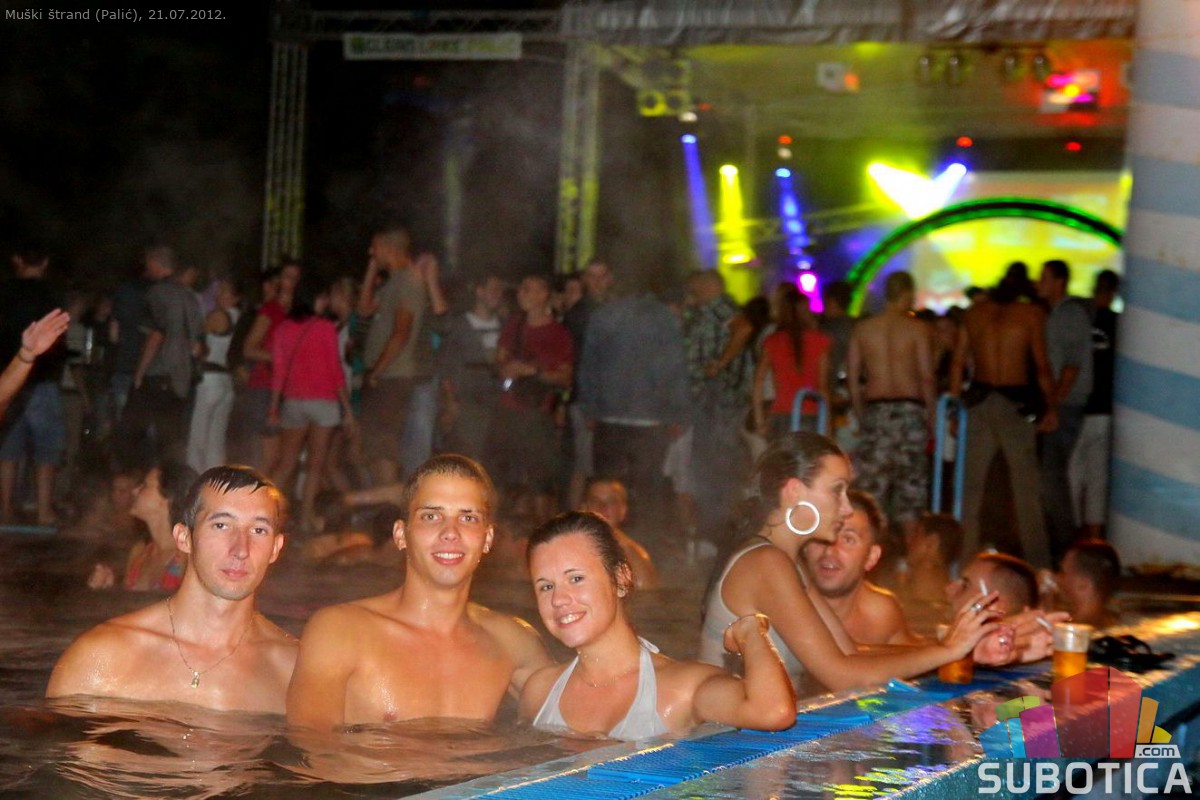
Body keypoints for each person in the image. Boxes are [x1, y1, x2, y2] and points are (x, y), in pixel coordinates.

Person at [698, 432, 1002, 695]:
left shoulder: (787, 562)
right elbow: (842, 676)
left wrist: (963, 648)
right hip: (725, 737)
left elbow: (850, 652)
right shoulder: (766, 563)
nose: (845, 508)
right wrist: (947, 650)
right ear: (794, 492)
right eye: (837, 490)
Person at [286, 454, 552, 729]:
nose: (450, 532)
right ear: (401, 535)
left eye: (468, 517)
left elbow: (573, 712)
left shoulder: (513, 643)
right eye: (431, 516)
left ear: (487, 538)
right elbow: (312, 748)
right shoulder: (340, 632)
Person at [520, 511, 795, 741]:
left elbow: (773, 712)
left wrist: (751, 632)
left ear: (621, 578)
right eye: (546, 586)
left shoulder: (680, 689)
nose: (558, 599)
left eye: (576, 579)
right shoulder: (539, 692)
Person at [48, 465, 296, 714]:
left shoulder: (295, 670)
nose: (241, 549)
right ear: (184, 538)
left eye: (258, 530)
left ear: (275, 548)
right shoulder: (101, 659)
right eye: (221, 525)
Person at [950, 275, 1056, 568]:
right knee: (1026, 492)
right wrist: (1051, 407)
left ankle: (963, 564)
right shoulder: (1031, 314)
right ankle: (1039, 567)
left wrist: (954, 411)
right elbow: (1042, 366)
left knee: (970, 491)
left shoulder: (974, 314)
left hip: (980, 404)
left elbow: (958, 364)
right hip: (1014, 406)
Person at [576, 282, 690, 532]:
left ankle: (605, 543)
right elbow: (676, 369)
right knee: (647, 491)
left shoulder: (604, 315)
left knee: (606, 488)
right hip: (651, 420)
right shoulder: (663, 316)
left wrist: (589, 409)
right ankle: (645, 544)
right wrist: (678, 414)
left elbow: (589, 366)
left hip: (609, 418)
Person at [847, 271, 935, 540]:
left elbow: (853, 377)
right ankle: (911, 556)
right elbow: (926, 376)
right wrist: (931, 415)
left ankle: (867, 554)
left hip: (877, 409)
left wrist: (861, 412)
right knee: (911, 492)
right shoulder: (917, 329)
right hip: (910, 411)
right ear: (906, 294)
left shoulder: (863, 329)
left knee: (871, 493)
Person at [484, 274, 573, 522]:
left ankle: (544, 535)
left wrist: (532, 371)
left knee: (540, 482)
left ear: (543, 294)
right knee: (495, 478)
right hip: (506, 411)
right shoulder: (514, 325)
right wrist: (506, 368)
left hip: (536, 415)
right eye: (521, 288)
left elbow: (565, 377)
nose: (521, 293)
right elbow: (500, 360)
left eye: (528, 289)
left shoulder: (558, 333)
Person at [268, 282, 355, 534]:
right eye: (323, 297)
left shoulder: (283, 328)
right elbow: (335, 371)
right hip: (324, 403)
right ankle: (306, 519)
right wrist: (347, 409)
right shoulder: (325, 327)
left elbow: (279, 372)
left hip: (293, 402)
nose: (326, 302)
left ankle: (260, 513)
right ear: (315, 299)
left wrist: (273, 408)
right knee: (315, 466)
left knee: (286, 464)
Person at [117, 246, 205, 468]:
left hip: (157, 374)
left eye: (148, 264)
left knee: (130, 435)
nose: (147, 269)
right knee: (170, 442)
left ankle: (132, 479)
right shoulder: (190, 297)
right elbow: (199, 344)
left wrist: (139, 373)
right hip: (180, 379)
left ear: (156, 264)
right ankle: (170, 483)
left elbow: (156, 334)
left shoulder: (157, 293)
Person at [0, 251, 69, 526]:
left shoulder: (5, 292)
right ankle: (43, 511)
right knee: (46, 449)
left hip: (13, 376)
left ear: (17, 260)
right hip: (41, 380)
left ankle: (5, 510)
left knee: (9, 448)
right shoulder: (51, 294)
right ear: (45, 262)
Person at [357, 226, 429, 485]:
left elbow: (402, 333)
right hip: (384, 374)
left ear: (389, 248)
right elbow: (363, 310)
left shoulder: (408, 281)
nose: (371, 252)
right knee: (374, 447)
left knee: (384, 446)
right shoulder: (394, 281)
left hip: (392, 375)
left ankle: (389, 500)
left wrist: (376, 373)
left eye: (375, 247)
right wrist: (371, 270)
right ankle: (384, 500)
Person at [802, 489, 920, 646]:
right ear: (804, 547)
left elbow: (911, 655)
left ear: (871, 557)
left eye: (848, 539)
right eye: (821, 536)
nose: (829, 550)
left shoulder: (880, 614)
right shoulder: (779, 605)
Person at [1037, 259, 1093, 559]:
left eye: (1044, 277)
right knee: (1053, 476)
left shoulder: (1070, 314)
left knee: (1053, 477)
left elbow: (1072, 365)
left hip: (1066, 404)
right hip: (1063, 403)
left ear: (1059, 281)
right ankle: (1063, 545)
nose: (1039, 283)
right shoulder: (1056, 313)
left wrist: (1054, 405)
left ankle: (1065, 546)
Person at [1070, 269, 1120, 539]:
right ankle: (1094, 535)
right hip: (1104, 407)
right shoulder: (1119, 324)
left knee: (1073, 472)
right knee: (1097, 475)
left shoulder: (1081, 319)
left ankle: (1074, 531)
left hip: (1078, 404)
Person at [240, 261, 302, 473]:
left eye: (295, 277)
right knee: (270, 457)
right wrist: (280, 359)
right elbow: (248, 349)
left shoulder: (299, 313)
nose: (291, 282)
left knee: (285, 457)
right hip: (264, 386)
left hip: (289, 390)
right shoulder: (270, 310)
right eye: (287, 276)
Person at [437, 274, 506, 461]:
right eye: (493, 289)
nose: (498, 294)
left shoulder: (505, 326)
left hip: (495, 404)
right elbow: (445, 367)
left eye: (500, 290)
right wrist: (450, 402)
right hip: (467, 404)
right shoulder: (459, 325)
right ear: (479, 291)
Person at [752, 287, 830, 438]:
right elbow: (823, 387)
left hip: (781, 413)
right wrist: (827, 426)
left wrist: (759, 420)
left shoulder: (772, 341)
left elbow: (758, 382)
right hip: (811, 413)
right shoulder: (820, 341)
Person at [186, 278, 243, 472]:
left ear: (235, 298)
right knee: (216, 440)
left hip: (209, 379)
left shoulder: (218, 315)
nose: (219, 294)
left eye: (225, 291)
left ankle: (193, 478)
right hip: (226, 381)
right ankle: (215, 481)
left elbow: (197, 343)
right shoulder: (239, 318)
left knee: (198, 437)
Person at [581, 478, 658, 590]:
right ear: (584, 508)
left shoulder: (633, 556)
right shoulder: (568, 548)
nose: (602, 507)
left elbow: (646, 595)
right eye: (595, 501)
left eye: (611, 501)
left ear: (623, 510)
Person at [897, 512, 963, 634]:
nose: (908, 540)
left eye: (915, 535)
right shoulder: (955, 609)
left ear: (932, 543)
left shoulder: (951, 614)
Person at [1053, 539, 1121, 629]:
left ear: (1083, 583)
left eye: (1063, 572)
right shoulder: (1115, 623)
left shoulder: (1070, 631)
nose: (1057, 578)